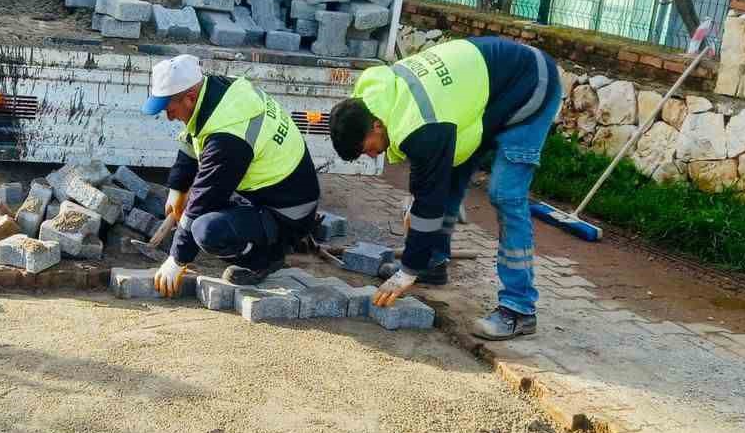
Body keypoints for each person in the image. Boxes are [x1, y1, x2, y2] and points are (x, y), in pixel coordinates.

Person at [329, 35, 562, 341]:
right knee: (446, 176)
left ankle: (519, 309)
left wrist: (407, 270)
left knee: (505, 195)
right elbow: (430, 178)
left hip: (530, 85)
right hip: (484, 96)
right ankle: (433, 263)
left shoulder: (421, 124)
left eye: (366, 149)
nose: (372, 155)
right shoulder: (379, 99)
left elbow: (429, 199)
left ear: (376, 126)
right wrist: (418, 212)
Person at [142, 54, 321, 296]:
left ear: (190, 97)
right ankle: (259, 236)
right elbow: (194, 136)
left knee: (207, 231)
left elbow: (205, 199)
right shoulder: (217, 90)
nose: (169, 116)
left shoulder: (228, 135)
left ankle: (265, 259)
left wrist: (177, 259)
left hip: (289, 211)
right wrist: (178, 188)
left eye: (169, 109)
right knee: (204, 210)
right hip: (274, 191)